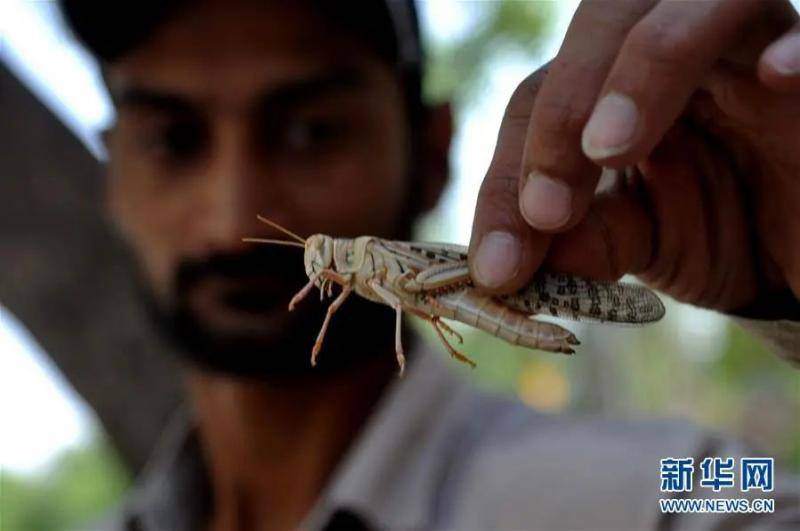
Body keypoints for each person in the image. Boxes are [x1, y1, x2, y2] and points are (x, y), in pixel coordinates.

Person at [58, 1, 799, 530]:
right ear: (109, 176)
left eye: (312, 131)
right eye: (172, 138)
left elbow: (768, 498)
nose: (233, 214)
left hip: (458, 285)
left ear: (435, 152)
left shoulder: (667, 486)